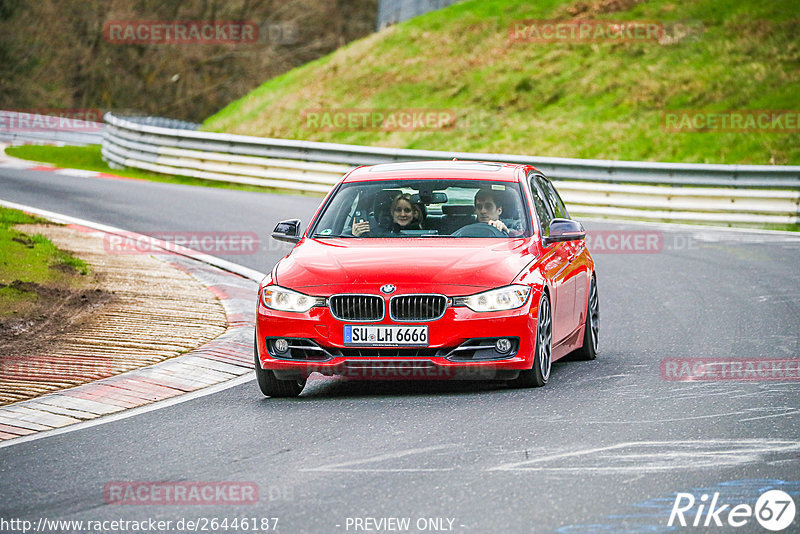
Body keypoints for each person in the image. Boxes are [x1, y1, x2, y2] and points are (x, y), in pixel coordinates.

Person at [352, 193, 422, 236]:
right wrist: (355, 236)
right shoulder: (376, 234)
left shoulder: (427, 234)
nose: (403, 214)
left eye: (407, 210)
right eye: (398, 210)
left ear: (415, 213)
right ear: (392, 212)